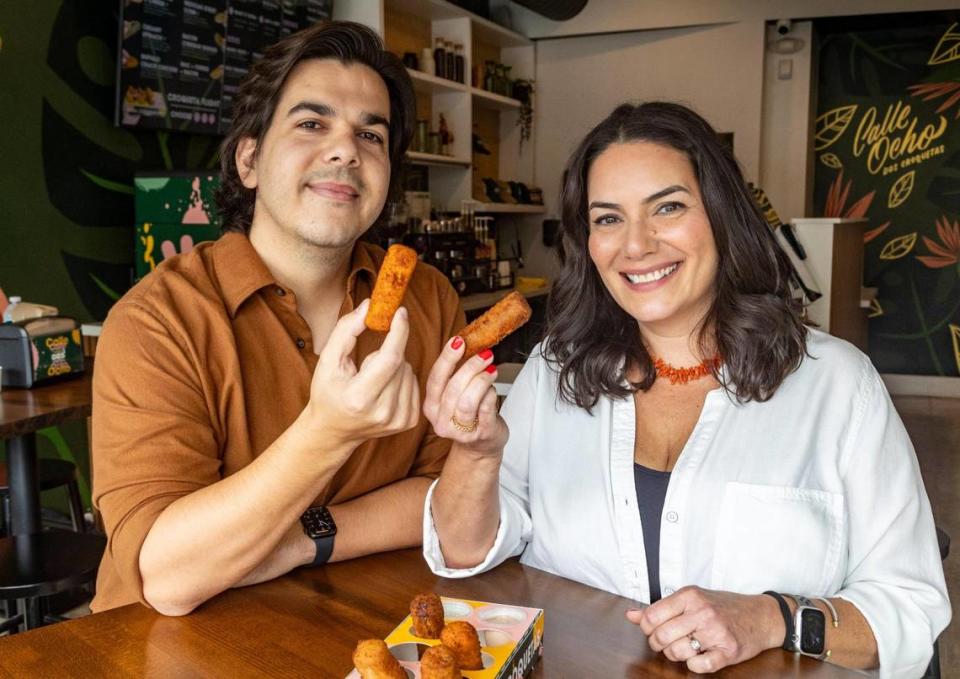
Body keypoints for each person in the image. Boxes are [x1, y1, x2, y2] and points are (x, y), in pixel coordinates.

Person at [421, 102, 950, 675]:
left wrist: (773, 618)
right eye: (607, 218)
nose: (637, 245)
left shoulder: (838, 384)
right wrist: (475, 454)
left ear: (723, 217)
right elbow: (463, 555)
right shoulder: (555, 369)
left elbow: (911, 609)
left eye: (667, 207)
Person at [91, 21, 464, 614]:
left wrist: (299, 542)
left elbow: (448, 501)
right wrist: (329, 431)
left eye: (371, 135)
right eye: (312, 124)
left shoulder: (427, 298)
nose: (346, 150)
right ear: (250, 159)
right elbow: (166, 575)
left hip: (353, 629)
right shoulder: (156, 321)